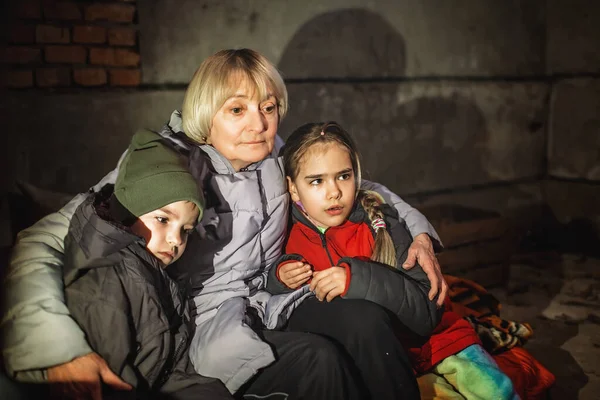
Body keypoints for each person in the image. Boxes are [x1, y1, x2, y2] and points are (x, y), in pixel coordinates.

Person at [1, 49, 446, 400]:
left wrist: (419, 231)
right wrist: (59, 350)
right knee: (320, 359)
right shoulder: (166, 164)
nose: (258, 124)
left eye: (268, 107)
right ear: (206, 110)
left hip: (271, 299)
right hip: (199, 325)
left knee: (365, 321)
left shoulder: (273, 154)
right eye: (237, 110)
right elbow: (44, 239)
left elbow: (350, 181)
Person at [270, 121, 518, 400]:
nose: (334, 192)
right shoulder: (283, 231)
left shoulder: (380, 224)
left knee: (493, 390)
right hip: (371, 359)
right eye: (316, 181)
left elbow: (427, 310)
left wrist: (357, 278)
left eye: (343, 176)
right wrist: (281, 276)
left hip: (433, 343)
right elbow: (264, 289)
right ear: (292, 188)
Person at [62, 130, 232, 400]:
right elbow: (107, 384)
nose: (176, 240)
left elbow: (171, 370)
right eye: (163, 220)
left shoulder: (156, 274)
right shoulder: (107, 281)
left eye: (186, 230)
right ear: (127, 212)